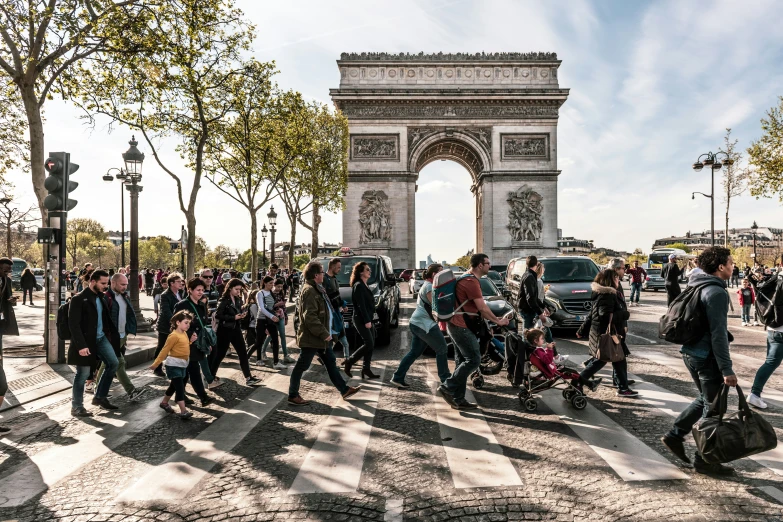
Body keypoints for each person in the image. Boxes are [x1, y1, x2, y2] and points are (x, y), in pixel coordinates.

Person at [661, 246, 737, 475]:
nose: (734, 267)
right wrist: (727, 369)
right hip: (705, 356)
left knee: (706, 400)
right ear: (721, 266)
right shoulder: (716, 292)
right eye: (731, 263)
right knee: (714, 408)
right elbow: (718, 334)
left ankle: (675, 435)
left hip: (691, 352)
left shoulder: (698, 284)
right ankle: (704, 460)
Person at [438, 253, 509, 410]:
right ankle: (447, 386)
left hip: (455, 324)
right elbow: (482, 308)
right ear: (479, 266)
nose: (490, 266)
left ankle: (458, 398)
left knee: (461, 362)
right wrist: (498, 321)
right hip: (461, 326)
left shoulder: (465, 278)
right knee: (474, 360)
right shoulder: (471, 282)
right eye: (487, 263)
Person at [287, 261, 361, 406]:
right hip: (312, 338)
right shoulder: (310, 291)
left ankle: (344, 389)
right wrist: (323, 333)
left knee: (331, 363)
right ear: (316, 275)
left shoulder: (317, 289)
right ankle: (293, 394)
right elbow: (310, 317)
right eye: (321, 272)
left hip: (321, 337)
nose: (324, 274)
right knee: (302, 366)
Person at [576, 268, 637, 397]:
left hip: (602, 333)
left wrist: (581, 330)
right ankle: (577, 381)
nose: (618, 280)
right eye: (615, 278)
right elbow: (604, 315)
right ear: (610, 280)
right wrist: (624, 314)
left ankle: (623, 387)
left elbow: (591, 315)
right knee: (602, 360)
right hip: (607, 335)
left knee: (619, 359)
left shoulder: (600, 293)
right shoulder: (608, 294)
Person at [67, 270, 120, 416]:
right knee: (82, 374)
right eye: (103, 283)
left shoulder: (102, 298)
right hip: (85, 342)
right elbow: (74, 325)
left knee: (114, 363)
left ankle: (100, 397)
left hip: (101, 338)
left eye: (107, 283)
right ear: (93, 281)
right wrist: (81, 345)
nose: (105, 286)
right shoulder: (79, 299)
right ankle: (77, 407)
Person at [391, 263, 450, 388]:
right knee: (442, 349)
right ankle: (445, 380)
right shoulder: (429, 286)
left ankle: (397, 377)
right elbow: (435, 306)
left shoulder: (429, 285)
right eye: (441, 273)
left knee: (414, 352)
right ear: (434, 274)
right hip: (425, 324)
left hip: (418, 323)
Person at [174, 278, 233, 402]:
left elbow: (204, 323)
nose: (200, 292)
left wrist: (206, 342)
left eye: (202, 290)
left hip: (199, 342)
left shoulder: (201, 304)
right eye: (198, 290)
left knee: (186, 372)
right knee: (194, 370)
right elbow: (176, 324)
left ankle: (180, 396)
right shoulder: (182, 305)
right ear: (189, 290)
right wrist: (189, 334)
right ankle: (203, 397)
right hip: (187, 343)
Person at [94, 274, 147, 401]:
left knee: (110, 363)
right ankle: (130, 391)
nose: (125, 287)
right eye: (122, 284)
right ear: (113, 283)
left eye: (126, 284)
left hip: (122, 336)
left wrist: (127, 331)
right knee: (117, 362)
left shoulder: (124, 297)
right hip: (111, 337)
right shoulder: (106, 298)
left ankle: (98, 391)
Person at [149, 310, 196, 419]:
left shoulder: (183, 333)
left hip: (182, 365)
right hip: (173, 365)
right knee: (179, 388)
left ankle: (164, 403)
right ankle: (183, 411)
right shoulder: (173, 336)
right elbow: (164, 351)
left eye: (189, 323)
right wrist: (156, 364)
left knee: (173, 386)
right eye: (186, 322)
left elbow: (182, 347)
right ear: (177, 322)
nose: (188, 325)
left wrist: (191, 341)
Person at [747, 270, 783, 409]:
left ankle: (755, 394)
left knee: (770, 363)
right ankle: (754, 394)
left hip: (772, 328)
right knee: (770, 363)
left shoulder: (775, 278)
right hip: (780, 331)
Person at [210, 278, 256, 382]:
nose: (238, 291)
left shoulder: (238, 299)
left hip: (235, 329)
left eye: (240, 289)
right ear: (230, 288)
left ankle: (248, 377)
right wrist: (233, 318)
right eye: (236, 289)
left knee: (243, 353)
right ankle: (211, 376)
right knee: (220, 354)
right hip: (224, 330)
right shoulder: (224, 300)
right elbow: (218, 315)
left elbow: (236, 312)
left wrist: (241, 315)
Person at [343, 262, 379, 379]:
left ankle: (366, 368)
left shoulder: (364, 284)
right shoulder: (358, 285)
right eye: (367, 269)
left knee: (371, 344)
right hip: (361, 319)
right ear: (361, 272)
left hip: (368, 318)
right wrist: (367, 321)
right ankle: (350, 361)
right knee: (368, 343)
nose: (370, 271)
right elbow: (360, 306)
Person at [0, 258, 19, 432]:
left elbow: (7, 299)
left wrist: (11, 300)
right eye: (6, 269)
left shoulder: (6, 281)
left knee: (1, 384)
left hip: (0, 323)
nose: (8, 271)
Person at [250, 276, 285, 369]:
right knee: (258, 342)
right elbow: (261, 308)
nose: (272, 285)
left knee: (275, 340)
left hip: (270, 320)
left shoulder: (271, 293)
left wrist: (277, 310)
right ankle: (249, 358)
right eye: (270, 283)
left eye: (273, 283)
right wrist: (272, 316)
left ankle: (276, 362)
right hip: (261, 320)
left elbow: (270, 306)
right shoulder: (260, 293)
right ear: (265, 283)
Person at [154, 273, 183, 378]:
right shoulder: (165, 295)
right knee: (162, 347)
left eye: (181, 281)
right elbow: (166, 311)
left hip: (179, 325)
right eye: (178, 281)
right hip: (165, 326)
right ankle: (157, 367)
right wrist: (176, 323)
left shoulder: (181, 293)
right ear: (171, 283)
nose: (181, 283)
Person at [261, 278, 295, 364]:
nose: (280, 288)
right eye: (278, 286)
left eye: (281, 287)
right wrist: (277, 305)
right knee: (271, 336)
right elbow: (267, 307)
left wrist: (286, 317)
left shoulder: (281, 294)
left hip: (281, 317)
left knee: (283, 336)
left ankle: (285, 355)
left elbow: (284, 307)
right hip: (273, 318)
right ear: (274, 286)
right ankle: (262, 352)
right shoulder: (269, 294)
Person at [323, 258, 350, 359]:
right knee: (332, 338)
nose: (340, 269)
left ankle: (347, 359)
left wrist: (343, 304)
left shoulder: (334, 279)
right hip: (330, 314)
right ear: (332, 266)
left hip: (337, 313)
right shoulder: (325, 279)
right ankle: (326, 357)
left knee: (340, 338)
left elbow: (337, 295)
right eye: (338, 267)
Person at [517, 255, 547, 328]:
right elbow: (530, 297)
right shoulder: (530, 277)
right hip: (527, 310)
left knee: (530, 332)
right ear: (536, 264)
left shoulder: (526, 275)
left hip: (526, 308)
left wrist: (543, 306)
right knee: (528, 333)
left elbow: (533, 296)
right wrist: (540, 313)